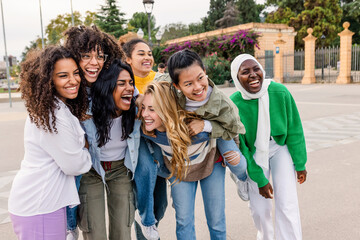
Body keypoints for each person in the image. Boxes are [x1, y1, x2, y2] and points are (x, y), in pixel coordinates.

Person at [8, 46, 92, 240]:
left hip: (40, 204)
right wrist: (86, 148)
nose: (73, 80)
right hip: (40, 206)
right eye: (63, 75)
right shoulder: (53, 115)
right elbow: (75, 165)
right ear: (48, 80)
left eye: (76, 73)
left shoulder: (52, 108)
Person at [230, 53, 307, 240]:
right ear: (236, 77)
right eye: (245, 72)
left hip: (280, 147)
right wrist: (259, 179)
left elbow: (294, 129)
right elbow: (242, 148)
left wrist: (300, 163)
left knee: (287, 203)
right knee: (260, 208)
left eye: (256, 69)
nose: (253, 75)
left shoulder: (279, 92)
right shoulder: (234, 103)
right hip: (254, 154)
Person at [140, 81, 227, 240]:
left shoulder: (193, 130)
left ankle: (242, 176)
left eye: (152, 109)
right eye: (144, 108)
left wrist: (231, 149)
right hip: (180, 169)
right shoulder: (146, 129)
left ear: (166, 110)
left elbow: (227, 123)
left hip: (209, 162)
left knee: (216, 221)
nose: (145, 114)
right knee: (183, 221)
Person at [63, 24, 124, 240]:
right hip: (87, 170)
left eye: (99, 56)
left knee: (122, 231)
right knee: (94, 231)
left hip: (118, 167)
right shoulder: (68, 91)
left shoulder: (113, 83)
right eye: (86, 55)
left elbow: (136, 95)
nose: (94, 62)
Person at [167, 49, 249, 198]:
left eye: (200, 78)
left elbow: (234, 129)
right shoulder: (171, 93)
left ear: (204, 71)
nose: (197, 87)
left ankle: (242, 178)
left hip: (222, 131)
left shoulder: (224, 103)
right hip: (193, 138)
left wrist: (205, 125)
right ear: (177, 86)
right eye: (188, 84)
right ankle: (178, 191)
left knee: (236, 162)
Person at [78, 59, 140, 239]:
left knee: (123, 228)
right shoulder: (86, 111)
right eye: (121, 84)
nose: (129, 88)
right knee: (93, 229)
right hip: (91, 171)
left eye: (131, 83)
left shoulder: (137, 111)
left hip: (121, 169)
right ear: (107, 87)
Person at [122, 38, 168, 240]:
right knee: (142, 201)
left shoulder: (161, 79)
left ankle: (151, 228)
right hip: (135, 148)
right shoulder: (124, 80)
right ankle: (147, 232)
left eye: (149, 53)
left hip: (158, 144)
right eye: (141, 53)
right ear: (128, 59)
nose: (147, 57)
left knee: (161, 204)